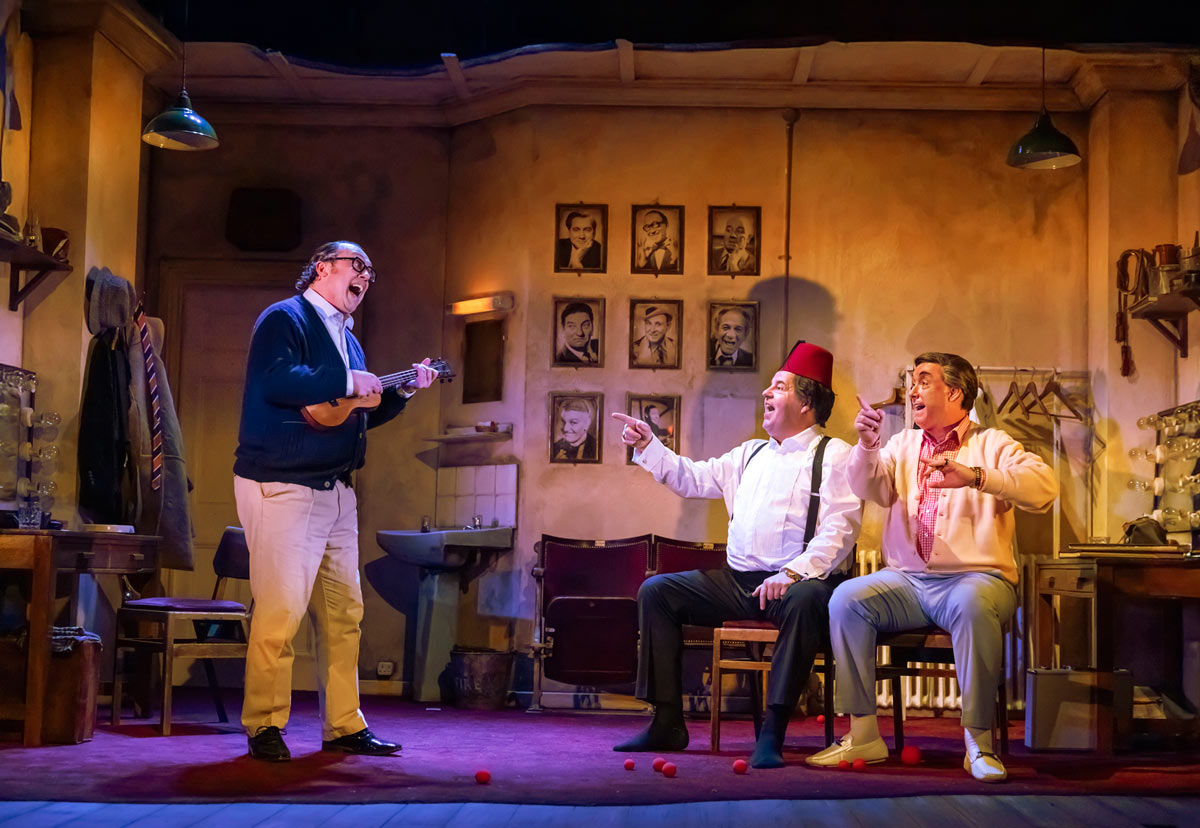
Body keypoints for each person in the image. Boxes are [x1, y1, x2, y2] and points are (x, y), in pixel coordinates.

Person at [806, 352, 1057, 782]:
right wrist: (867, 445)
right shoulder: (902, 444)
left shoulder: (992, 443)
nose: (913, 390)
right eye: (911, 380)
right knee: (846, 599)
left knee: (974, 604)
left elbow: (1045, 489)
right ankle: (864, 732)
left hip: (977, 579)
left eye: (923, 380)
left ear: (955, 392)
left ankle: (979, 744)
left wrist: (977, 476)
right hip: (906, 581)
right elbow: (872, 489)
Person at [611, 342, 863, 768]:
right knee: (657, 591)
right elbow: (693, 478)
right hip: (739, 582)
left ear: (806, 402)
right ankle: (667, 721)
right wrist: (649, 444)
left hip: (799, 584)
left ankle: (772, 731)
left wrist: (794, 573)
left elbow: (841, 530)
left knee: (805, 602)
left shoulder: (835, 455)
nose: (766, 393)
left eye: (779, 387)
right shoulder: (751, 453)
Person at [233, 240, 439, 762]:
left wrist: (402, 391)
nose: (366, 277)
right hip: (283, 486)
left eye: (371, 272)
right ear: (323, 268)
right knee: (280, 613)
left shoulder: (350, 342)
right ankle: (264, 724)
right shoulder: (284, 318)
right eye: (357, 266)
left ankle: (344, 724)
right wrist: (348, 379)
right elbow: (275, 380)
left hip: (337, 491)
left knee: (345, 614)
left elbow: (351, 411)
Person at [552, 397, 597, 461]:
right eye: (564, 422)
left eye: (573, 422)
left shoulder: (596, 447)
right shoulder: (555, 448)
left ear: (587, 423)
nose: (565, 428)